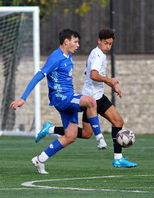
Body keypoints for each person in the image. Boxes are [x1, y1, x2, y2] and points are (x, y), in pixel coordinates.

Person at [35, 28, 137, 168]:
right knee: (86, 133)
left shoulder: (101, 54)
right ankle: (51, 130)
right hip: (91, 99)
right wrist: (110, 80)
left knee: (117, 121)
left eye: (110, 44)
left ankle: (118, 159)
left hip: (99, 97)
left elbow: (98, 76)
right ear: (99, 41)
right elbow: (93, 75)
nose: (108, 47)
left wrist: (113, 86)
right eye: (105, 43)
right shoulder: (97, 55)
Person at [10, 29, 107, 174]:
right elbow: (38, 76)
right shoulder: (55, 58)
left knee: (71, 136)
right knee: (91, 101)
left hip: (68, 97)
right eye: (75, 42)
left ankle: (40, 159)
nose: (78, 45)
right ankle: (100, 138)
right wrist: (23, 98)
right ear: (66, 41)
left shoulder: (68, 56)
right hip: (62, 98)